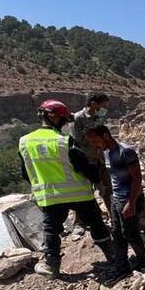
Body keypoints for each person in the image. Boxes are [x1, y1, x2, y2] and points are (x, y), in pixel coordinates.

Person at [18, 100, 116, 278]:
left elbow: (25, 172)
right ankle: (113, 256)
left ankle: (51, 266)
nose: (64, 124)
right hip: (79, 194)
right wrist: (97, 178)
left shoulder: (25, 142)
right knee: (96, 224)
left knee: (51, 229)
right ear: (54, 118)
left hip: (50, 196)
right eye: (63, 120)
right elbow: (83, 165)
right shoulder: (64, 141)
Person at [83, 125, 145, 277]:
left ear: (105, 136)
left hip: (129, 198)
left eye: (96, 141)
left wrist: (131, 202)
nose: (95, 145)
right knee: (117, 232)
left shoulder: (125, 152)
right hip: (116, 198)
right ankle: (122, 266)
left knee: (130, 232)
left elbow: (137, 179)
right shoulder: (106, 152)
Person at [69, 92, 113, 200]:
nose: (105, 109)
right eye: (103, 106)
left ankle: (113, 215)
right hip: (86, 162)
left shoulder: (99, 116)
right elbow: (78, 139)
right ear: (94, 104)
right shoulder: (78, 118)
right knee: (84, 193)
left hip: (99, 159)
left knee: (107, 190)